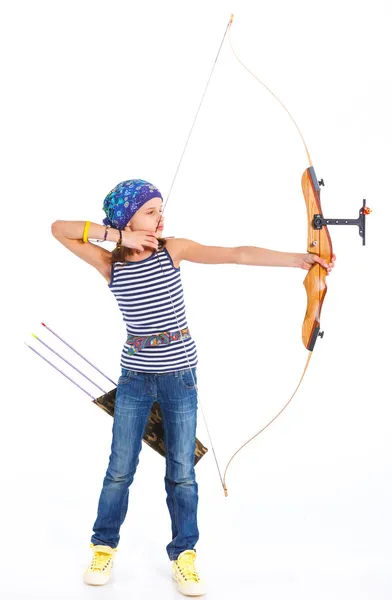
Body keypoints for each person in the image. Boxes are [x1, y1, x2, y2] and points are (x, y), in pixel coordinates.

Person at [51, 178, 336, 596]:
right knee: (119, 469)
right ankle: (103, 545)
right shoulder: (109, 263)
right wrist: (118, 237)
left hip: (180, 378)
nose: (160, 217)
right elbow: (59, 228)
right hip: (134, 379)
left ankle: (184, 555)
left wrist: (300, 259)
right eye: (150, 211)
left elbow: (236, 254)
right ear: (126, 218)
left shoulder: (173, 250)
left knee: (182, 472)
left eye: (160, 209)